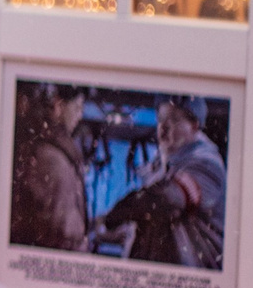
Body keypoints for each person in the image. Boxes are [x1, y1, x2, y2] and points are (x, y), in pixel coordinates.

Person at [93, 96, 225, 270]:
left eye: (175, 120)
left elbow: (167, 199)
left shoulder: (206, 164)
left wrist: (114, 216)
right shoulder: (160, 166)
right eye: (161, 119)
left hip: (190, 284)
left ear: (194, 126)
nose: (164, 127)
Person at [10, 83, 91, 253]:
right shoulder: (51, 158)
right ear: (58, 106)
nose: (80, 115)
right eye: (76, 107)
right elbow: (61, 231)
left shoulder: (58, 153)